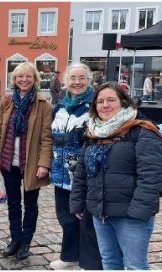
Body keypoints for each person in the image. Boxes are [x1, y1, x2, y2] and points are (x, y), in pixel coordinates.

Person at [70, 82, 162, 270]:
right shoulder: (94, 133)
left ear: (123, 102)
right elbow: (82, 172)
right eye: (100, 101)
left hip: (131, 216)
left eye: (111, 100)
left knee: (135, 266)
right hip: (101, 213)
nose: (105, 105)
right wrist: (78, 202)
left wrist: (138, 213)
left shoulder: (143, 130)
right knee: (110, 262)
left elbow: (151, 177)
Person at [0, 62, 53, 260]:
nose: (24, 80)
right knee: (14, 204)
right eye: (19, 77)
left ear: (35, 79)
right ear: (14, 80)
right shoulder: (7, 101)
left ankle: (26, 242)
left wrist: (44, 163)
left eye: (28, 76)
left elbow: (46, 138)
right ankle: (15, 239)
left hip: (32, 163)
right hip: (9, 161)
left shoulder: (43, 105)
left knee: (31, 205)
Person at [49, 63, 102, 270]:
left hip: (86, 174)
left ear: (88, 80)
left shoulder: (95, 105)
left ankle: (89, 262)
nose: (77, 82)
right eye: (73, 78)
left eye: (81, 78)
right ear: (65, 81)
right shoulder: (60, 107)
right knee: (66, 217)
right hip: (61, 173)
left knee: (86, 219)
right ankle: (70, 255)